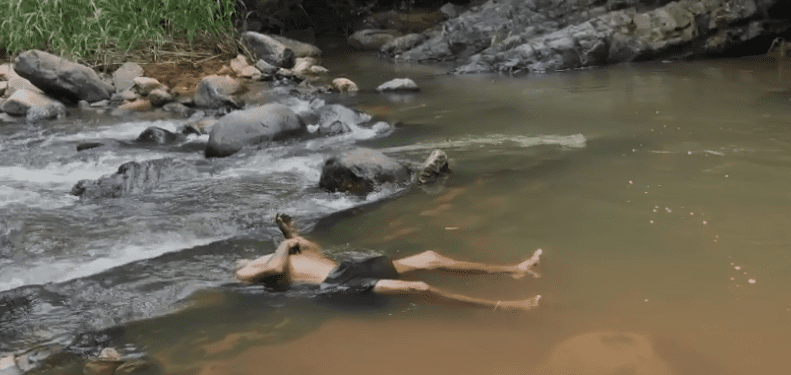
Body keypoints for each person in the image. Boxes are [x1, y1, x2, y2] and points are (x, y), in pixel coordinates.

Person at [235, 214, 542, 312]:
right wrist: (284, 243)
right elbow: (276, 270)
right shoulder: (248, 270)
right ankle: (505, 306)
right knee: (419, 287)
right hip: (337, 285)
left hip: (347, 268)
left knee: (431, 258)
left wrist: (293, 235)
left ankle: (515, 269)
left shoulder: (287, 250)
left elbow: (316, 251)